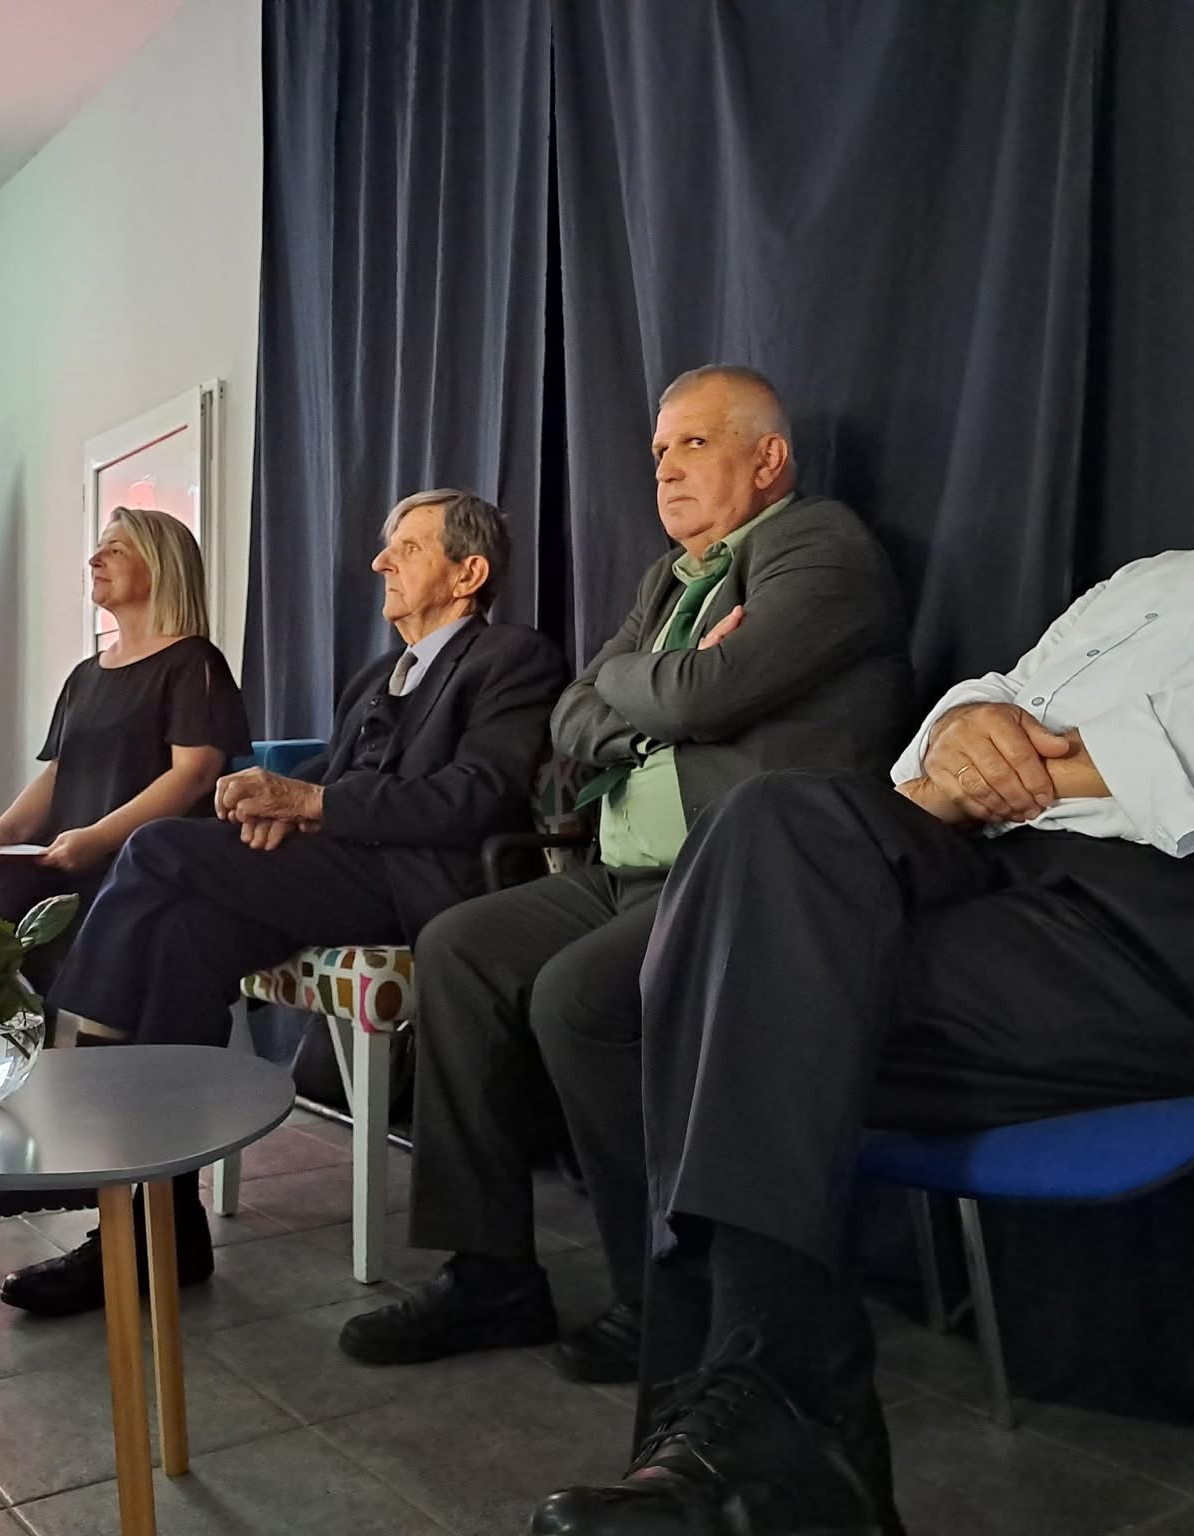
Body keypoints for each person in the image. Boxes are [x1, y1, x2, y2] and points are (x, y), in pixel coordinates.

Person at [530, 246, 1194, 1536]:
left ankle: (763, 1433)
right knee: (754, 844)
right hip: (997, 892)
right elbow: (957, 719)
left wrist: (1027, 765)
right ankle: (760, 1428)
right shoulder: (1149, 582)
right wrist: (965, 737)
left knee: (711, 993)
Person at [338, 367, 911, 1384]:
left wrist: (642, 688)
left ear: (768, 459)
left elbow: (700, 698)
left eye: (693, 444)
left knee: (578, 997)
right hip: (627, 869)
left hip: (744, 881)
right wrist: (645, 690)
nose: (666, 471)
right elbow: (573, 716)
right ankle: (490, 1276)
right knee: (459, 947)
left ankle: (666, 1299)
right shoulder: (668, 580)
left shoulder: (818, 547)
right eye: (657, 453)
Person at [0, 489, 568, 1317]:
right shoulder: (377, 677)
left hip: (421, 890)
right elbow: (329, 781)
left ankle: (75, 1082)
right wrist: (278, 808)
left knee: (157, 848)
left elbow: (476, 796)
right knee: (184, 934)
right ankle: (163, 1229)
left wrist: (312, 805)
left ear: (468, 573)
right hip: (338, 874)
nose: (380, 561)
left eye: (407, 549)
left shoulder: (511, 658)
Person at [0, 506, 251, 993]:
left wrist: (98, 838)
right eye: (98, 549)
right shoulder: (85, 675)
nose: (95, 560)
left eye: (115, 550)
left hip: (134, 865)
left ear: (161, 567)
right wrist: (0, 834)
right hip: (66, 858)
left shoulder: (193, 662)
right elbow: (58, 773)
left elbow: (194, 773)